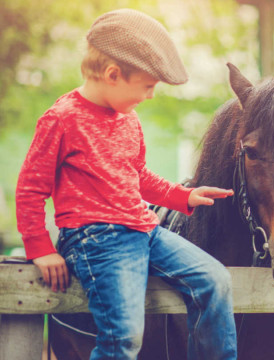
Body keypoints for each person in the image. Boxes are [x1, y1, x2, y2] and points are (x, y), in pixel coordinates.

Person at [15, 9, 237, 359]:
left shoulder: (129, 120)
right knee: (124, 338)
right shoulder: (61, 119)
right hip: (96, 240)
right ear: (113, 74)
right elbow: (30, 189)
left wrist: (184, 196)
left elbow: (138, 177)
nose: (150, 96)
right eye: (148, 86)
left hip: (146, 231)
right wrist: (40, 247)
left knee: (215, 281)